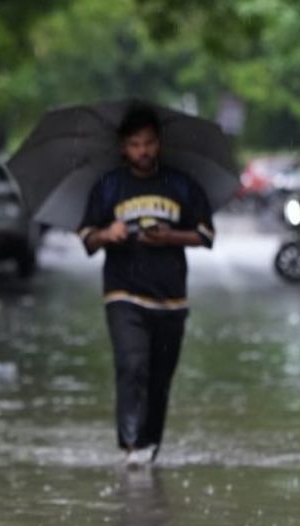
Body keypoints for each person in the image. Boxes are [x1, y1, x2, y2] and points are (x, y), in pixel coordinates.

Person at [77, 104, 215, 469]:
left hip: (171, 298)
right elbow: (87, 239)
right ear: (123, 147)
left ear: (160, 143)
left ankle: (149, 445)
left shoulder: (181, 184)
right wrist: (108, 234)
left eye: (149, 143)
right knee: (131, 365)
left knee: (159, 378)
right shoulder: (108, 186)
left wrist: (170, 237)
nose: (143, 151)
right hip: (123, 293)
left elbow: (206, 236)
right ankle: (130, 445)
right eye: (135, 144)